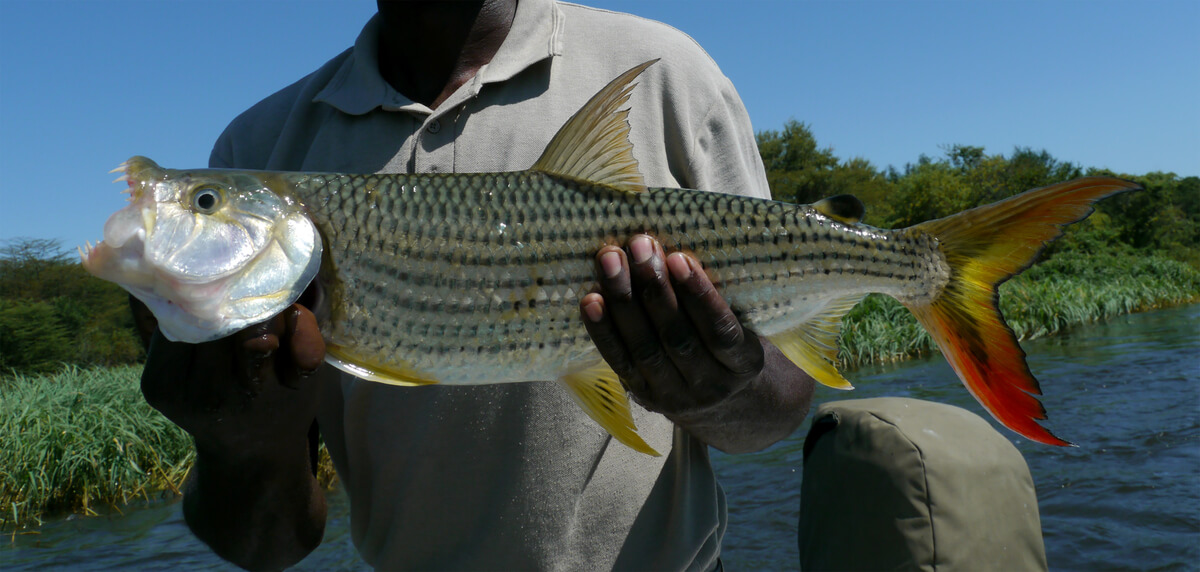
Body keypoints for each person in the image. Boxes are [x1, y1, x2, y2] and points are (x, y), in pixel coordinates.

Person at [138, 1, 815, 569]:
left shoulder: (669, 70)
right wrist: (238, 441)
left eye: (203, 204)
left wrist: (722, 390)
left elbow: (781, 405)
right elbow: (269, 546)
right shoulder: (256, 148)